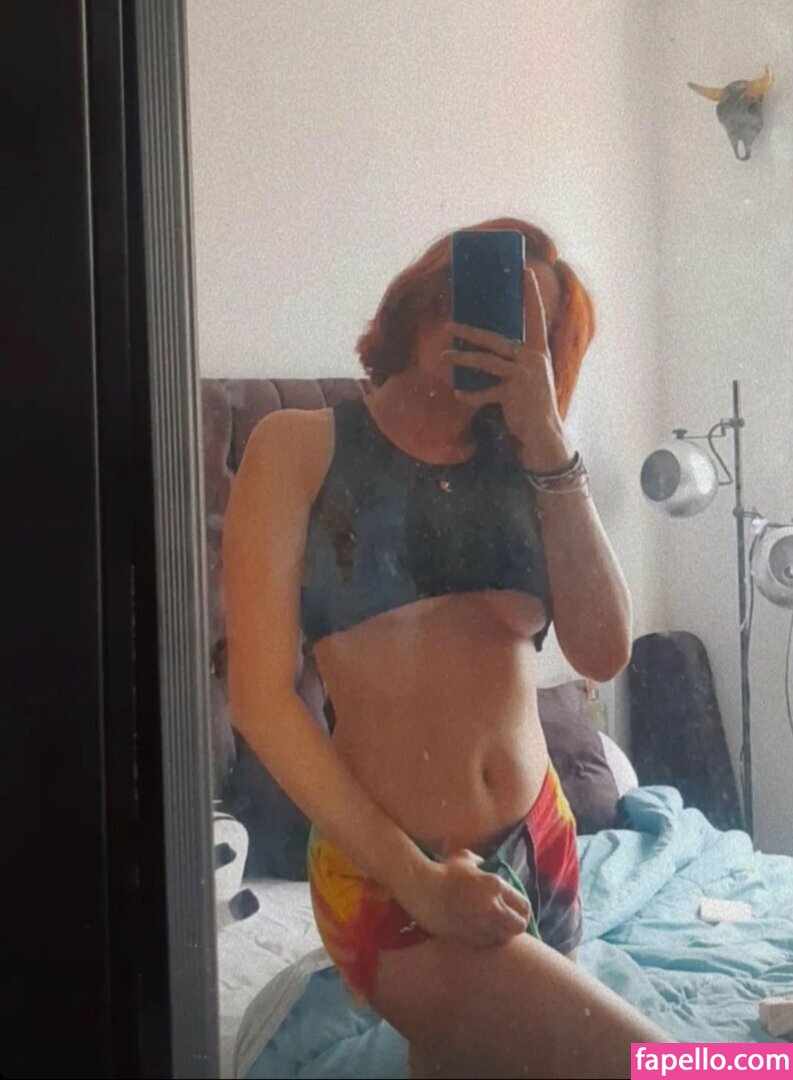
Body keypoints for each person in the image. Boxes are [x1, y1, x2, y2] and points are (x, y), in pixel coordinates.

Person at [223, 217, 667, 1079]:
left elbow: (603, 650)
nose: (478, 325)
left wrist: (548, 439)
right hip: (393, 873)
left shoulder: (531, 468)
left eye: (522, 325)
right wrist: (418, 882)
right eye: (471, 293)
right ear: (424, 293)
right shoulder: (299, 447)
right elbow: (261, 699)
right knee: (667, 1068)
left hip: (542, 844)